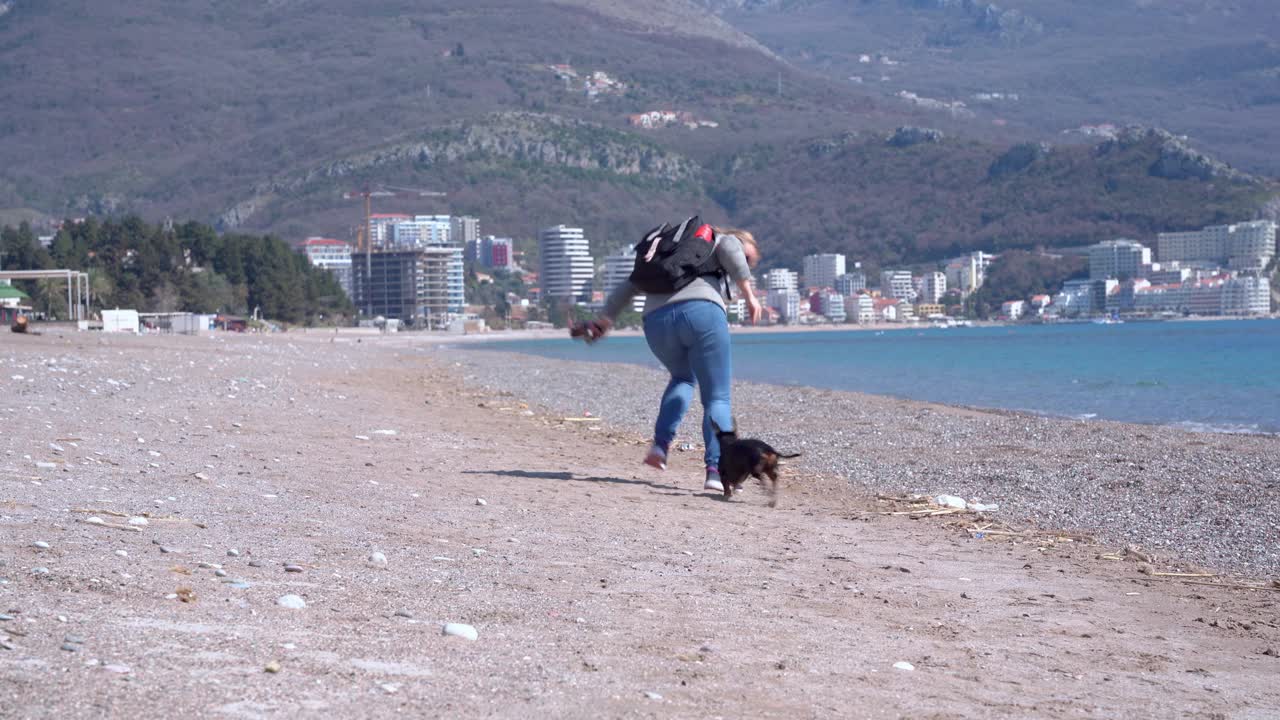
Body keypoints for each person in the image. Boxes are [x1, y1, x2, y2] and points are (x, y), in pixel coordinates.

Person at [581, 226, 763, 493]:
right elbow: (730, 248)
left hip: (656, 322)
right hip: (703, 313)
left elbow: (630, 284)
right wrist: (750, 296)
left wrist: (605, 319)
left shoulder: (671, 252)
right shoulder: (718, 239)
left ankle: (660, 446)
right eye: (748, 260)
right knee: (717, 398)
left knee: (682, 377)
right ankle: (717, 470)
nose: (746, 267)